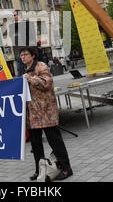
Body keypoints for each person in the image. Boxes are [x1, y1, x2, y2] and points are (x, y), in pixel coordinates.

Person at [21, 47, 73, 181]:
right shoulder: (24, 70)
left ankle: (66, 168)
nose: (23, 57)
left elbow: (46, 83)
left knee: (55, 141)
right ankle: (40, 171)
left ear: (33, 56)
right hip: (32, 114)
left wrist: (30, 79)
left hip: (45, 112)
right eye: (21, 55)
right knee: (36, 145)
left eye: (26, 54)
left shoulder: (41, 66)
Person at [7, 10, 37, 76]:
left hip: (28, 54)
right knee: (21, 77)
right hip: (19, 55)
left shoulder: (28, 24)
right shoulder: (11, 26)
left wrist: (32, 50)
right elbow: (12, 38)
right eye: (13, 16)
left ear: (20, 15)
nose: (13, 17)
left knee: (32, 75)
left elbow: (32, 37)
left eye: (15, 15)